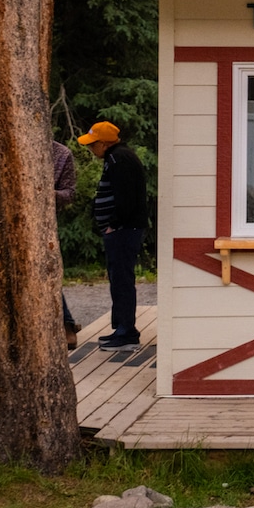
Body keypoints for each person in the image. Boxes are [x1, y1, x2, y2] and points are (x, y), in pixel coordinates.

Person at [79, 121, 148, 352]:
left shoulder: (119, 159)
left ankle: (127, 332)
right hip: (121, 230)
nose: (90, 150)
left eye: (92, 145)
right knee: (117, 279)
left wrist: (114, 224)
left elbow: (126, 197)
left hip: (123, 230)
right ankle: (121, 328)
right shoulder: (116, 157)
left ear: (104, 143)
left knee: (122, 280)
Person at [52, 140, 82, 350]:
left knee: (47, 276)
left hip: (44, 224)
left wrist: (45, 193)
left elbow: (70, 193)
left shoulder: (62, 154)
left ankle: (67, 325)